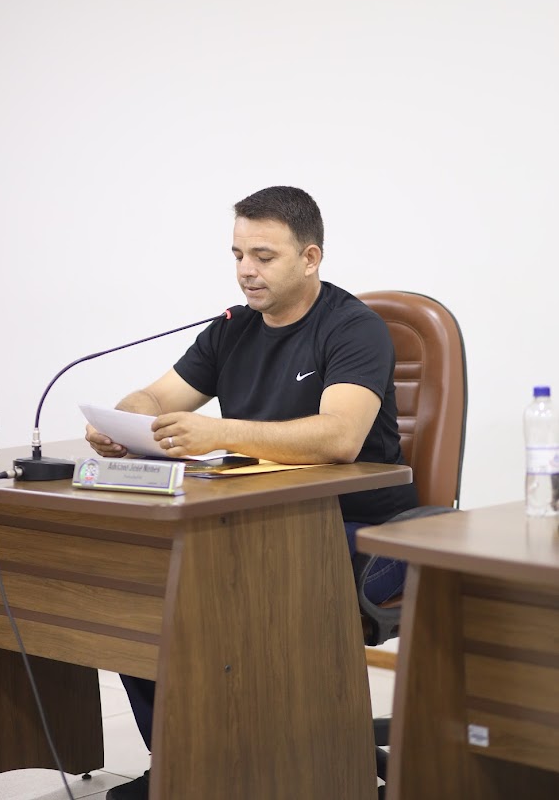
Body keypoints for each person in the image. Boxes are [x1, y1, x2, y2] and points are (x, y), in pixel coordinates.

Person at [86, 185, 418, 800]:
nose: (246, 270)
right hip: (257, 521)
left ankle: (263, 764)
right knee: (140, 589)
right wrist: (124, 420)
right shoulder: (231, 329)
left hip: (357, 531)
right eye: (238, 254)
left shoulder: (353, 328)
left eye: (264, 256)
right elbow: (156, 396)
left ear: (310, 258)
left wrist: (219, 431)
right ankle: (185, 764)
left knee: (199, 593)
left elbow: (340, 437)